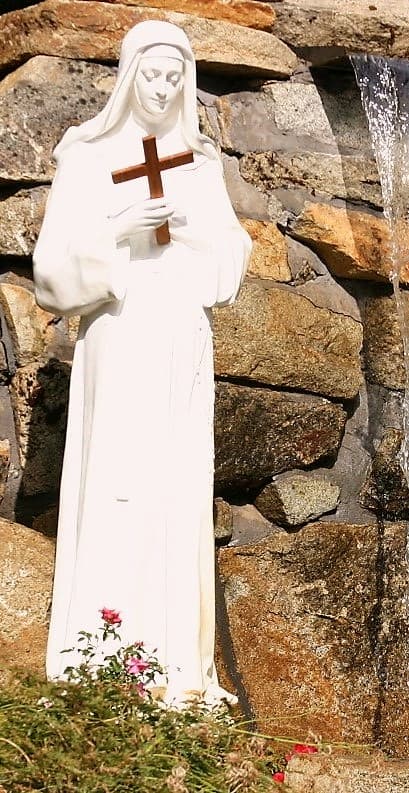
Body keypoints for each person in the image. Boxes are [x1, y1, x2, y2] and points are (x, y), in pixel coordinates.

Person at [33, 20, 251, 708]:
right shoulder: (90, 154)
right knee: (116, 484)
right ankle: (103, 662)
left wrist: (192, 231)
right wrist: (116, 234)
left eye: (174, 77)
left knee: (174, 489)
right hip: (121, 335)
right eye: (151, 75)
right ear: (129, 76)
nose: (161, 90)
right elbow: (49, 273)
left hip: (181, 339)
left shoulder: (200, 159)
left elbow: (229, 261)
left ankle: (172, 664)